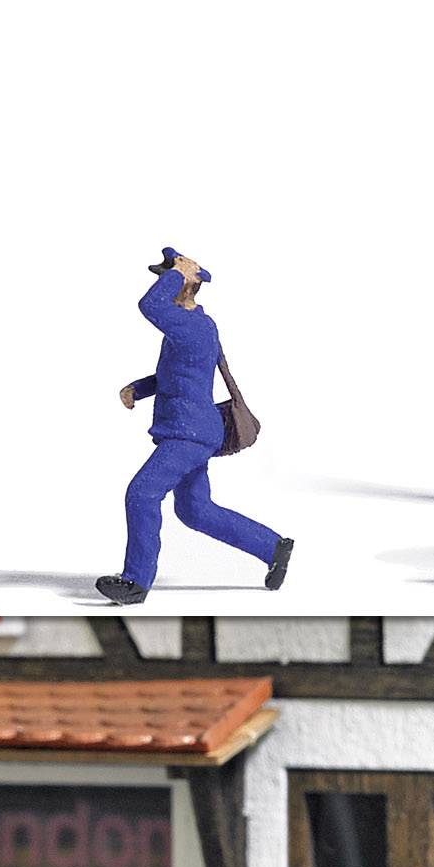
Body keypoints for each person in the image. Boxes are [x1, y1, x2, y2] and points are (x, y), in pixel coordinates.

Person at [96, 248, 293, 606]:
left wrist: (182, 273)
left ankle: (135, 581)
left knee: (141, 494)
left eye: (167, 278)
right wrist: (138, 390)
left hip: (188, 433)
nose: (161, 283)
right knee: (194, 510)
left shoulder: (193, 326)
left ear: (186, 286)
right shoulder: (191, 329)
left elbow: (149, 306)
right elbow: (179, 375)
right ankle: (273, 548)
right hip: (191, 430)